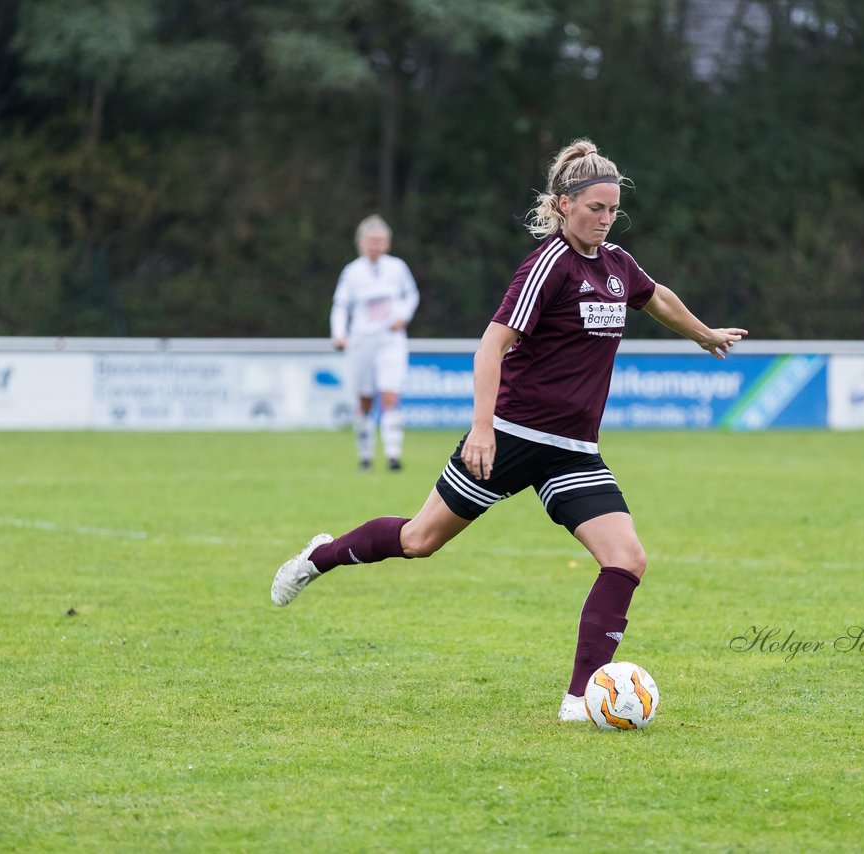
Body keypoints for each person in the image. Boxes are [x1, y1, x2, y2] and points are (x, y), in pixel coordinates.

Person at [273, 139, 747, 722]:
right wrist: (481, 429)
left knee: (626, 559)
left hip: (573, 453)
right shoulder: (548, 265)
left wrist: (703, 334)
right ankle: (320, 556)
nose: (604, 219)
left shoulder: (618, 266)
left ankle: (579, 700)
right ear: (562, 204)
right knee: (419, 541)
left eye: (613, 210)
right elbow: (492, 345)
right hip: (511, 437)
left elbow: (659, 298)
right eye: (595, 208)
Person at [331, 214, 420, 471]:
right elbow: (340, 305)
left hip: (390, 340)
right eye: (371, 240)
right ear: (361, 242)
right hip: (362, 341)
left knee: (390, 395)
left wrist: (403, 317)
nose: (376, 245)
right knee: (365, 400)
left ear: (388, 243)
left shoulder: (397, 268)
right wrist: (339, 333)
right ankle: (365, 456)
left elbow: (411, 295)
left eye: (380, 240)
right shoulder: (352, 272)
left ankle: (393, 455)